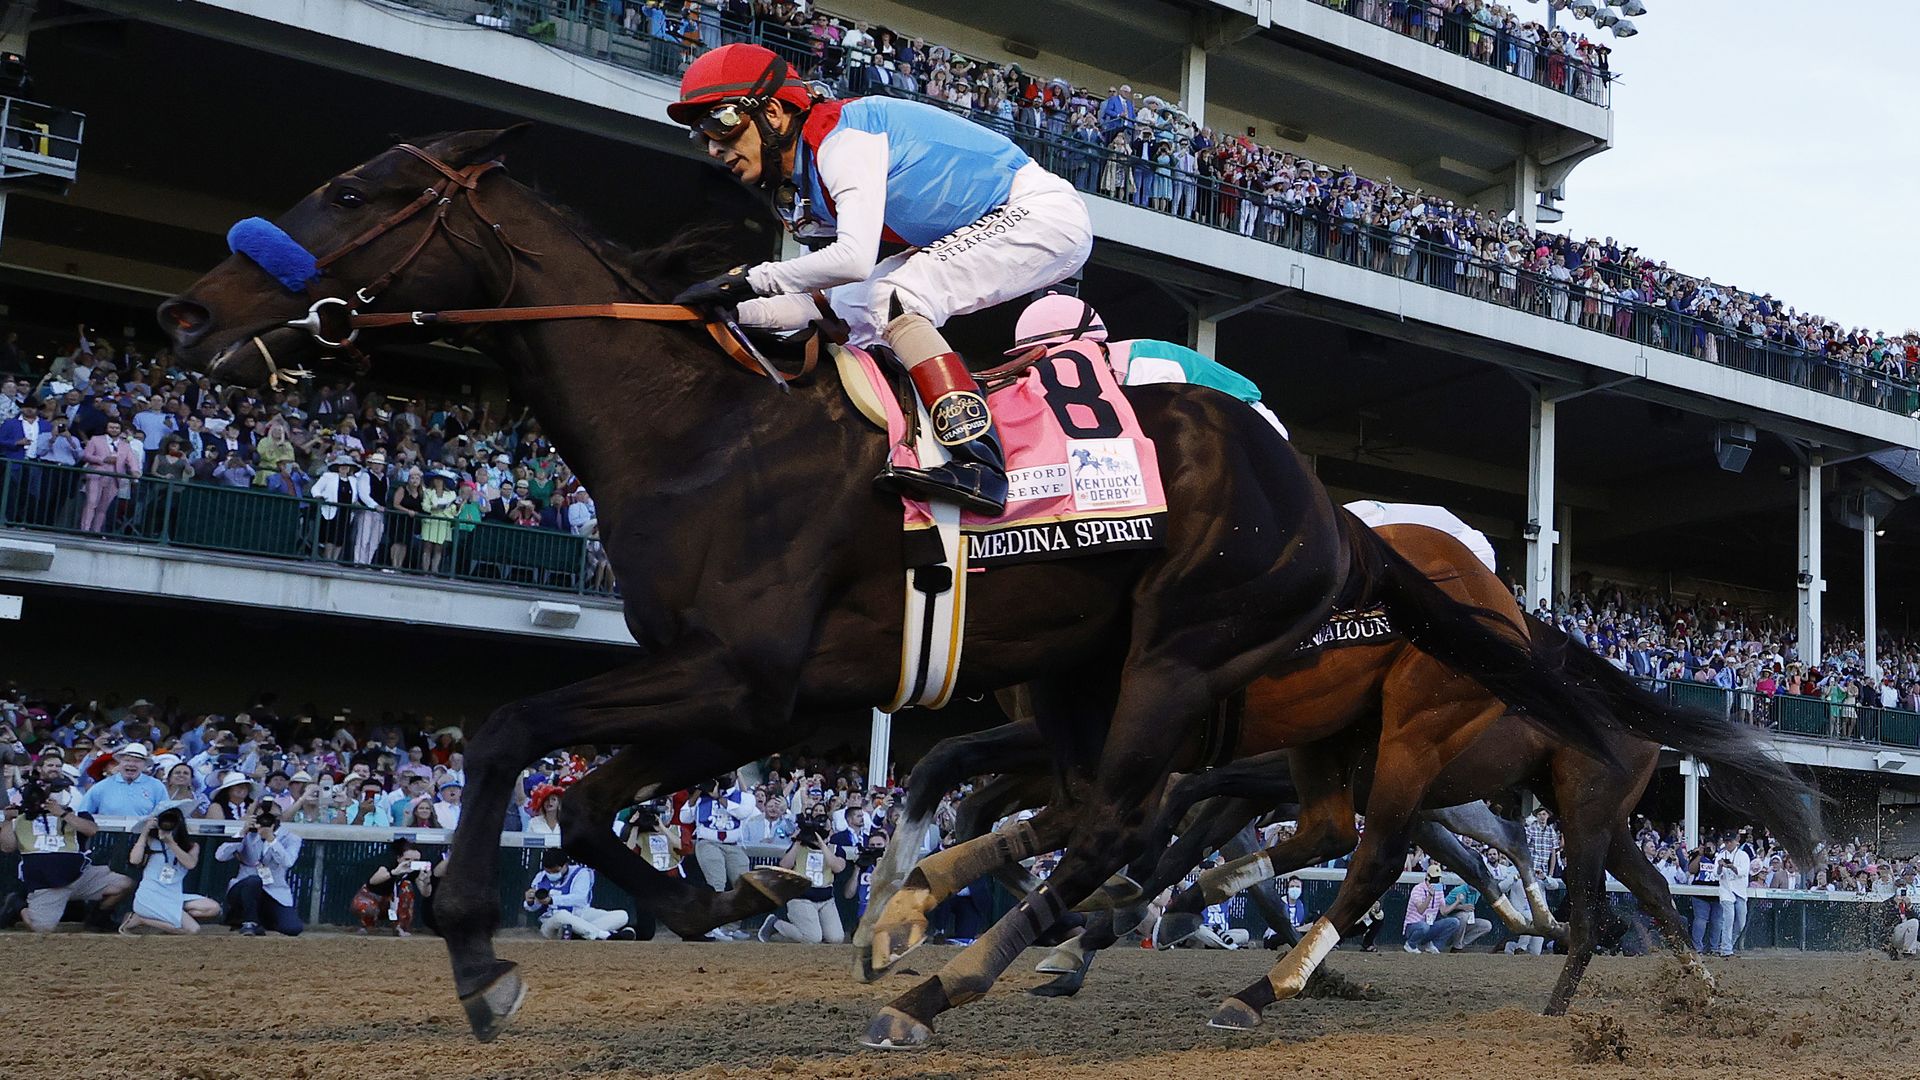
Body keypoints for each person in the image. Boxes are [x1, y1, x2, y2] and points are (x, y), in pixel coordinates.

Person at [668, 43, 1094, 514]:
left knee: (897, 297)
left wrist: (751, 278)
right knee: (852, 307)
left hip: (1040, 212)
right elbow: (820, 302)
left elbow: (852, 260)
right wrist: (721, 311)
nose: (713, 146)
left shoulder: (841, 141)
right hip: (990, 220)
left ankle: (980, 461)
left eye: (721, 122)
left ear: (773, 112)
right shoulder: (804, 177)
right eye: (700, 135)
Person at [1005, 294, 1288, 437]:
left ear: (1088, 346)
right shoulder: (1102, 372)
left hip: (1255, 427)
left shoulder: (1147, 367)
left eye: (1047, 357)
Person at [0, 773, 132, 932]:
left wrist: (61, 813)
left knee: (123, 884)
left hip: (81, 876)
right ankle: (17, 905)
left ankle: (98, 919)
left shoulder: (74, 814)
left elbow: (91, 830)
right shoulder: (21, 818)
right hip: (48, 883)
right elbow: (7, 847)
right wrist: (7, 820)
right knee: (42, 928)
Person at [121, 800, 221, 934]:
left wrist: (171, 843)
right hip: (151, 894)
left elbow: (190, 864)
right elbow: (134, 860)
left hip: (174, 895)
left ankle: (166, 918)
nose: (168, 824)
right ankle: (140, 919)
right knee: (193, 930)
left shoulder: (191, 846)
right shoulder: (151, 841)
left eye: (172, 820)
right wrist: (145, 832)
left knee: (213, 908)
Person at [214, 800, 304, 936]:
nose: (266, 820)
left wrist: (271, 839)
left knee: (292, 928)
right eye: (262, 816)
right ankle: (249, 923)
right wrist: (242, 832)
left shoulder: (291, 838)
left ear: (279, 818)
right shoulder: (247, 834)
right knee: (254, 881)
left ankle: (261, 921)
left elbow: (287, 862)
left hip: (274, 891)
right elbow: (220, 856)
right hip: (244, 887)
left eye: (271, 817)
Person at [760, 806, 847, 943]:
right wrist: (799, 841)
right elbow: (784, 866)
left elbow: (838, 868)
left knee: (836, 938)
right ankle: (775, 924)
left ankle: (804, 932)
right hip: (800, 897)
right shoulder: (799, 846)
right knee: (813, 938)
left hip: (826, 900)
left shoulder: (836, 849)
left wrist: (822, 845)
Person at [523, 848, 636, 940]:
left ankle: (579, 934)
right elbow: (532, 908)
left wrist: (552, 900)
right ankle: (606, 935)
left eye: (555, 871)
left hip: (580, 915)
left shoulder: (580, 873)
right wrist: (530, 902)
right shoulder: (541, 877)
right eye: (548, 871)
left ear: (566, 865)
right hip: (551, 922)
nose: (551, 874)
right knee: (562, 915)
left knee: (622, 915)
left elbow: (580, 899)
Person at [679, 774, 753, 895]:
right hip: (708, 843)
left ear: (736, 775)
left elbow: (742, 813)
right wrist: (700, 789)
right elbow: (684, 818)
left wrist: (718, 797)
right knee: (717, 883)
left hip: (733, 845)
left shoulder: (745, 797)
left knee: (743, 885)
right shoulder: (701, 797)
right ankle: (717, 905)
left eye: (729, 773)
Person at [352, 840, 433, 937]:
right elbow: (373, 881)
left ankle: (400, 927)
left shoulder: (415, 871)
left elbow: (426, 893)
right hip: (374, 897)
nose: (411, 863)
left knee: (406, 885)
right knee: (366, 906)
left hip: (394, 901)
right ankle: (368, 926)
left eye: (416, 860)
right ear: (399, 858)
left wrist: (427, 881)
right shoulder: (388, 864)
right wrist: (394, 872)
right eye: (407, 859)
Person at [77, 741, 168, 818]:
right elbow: (83, 813)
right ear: (120, 762)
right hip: (109, 832)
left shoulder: (157, 786)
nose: (131, 764)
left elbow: (165, 815)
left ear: (144, 765)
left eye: (137, 761)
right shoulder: (101, 786)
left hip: (143, 833)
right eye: (127, 760)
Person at [1402, 862, 1460, 953]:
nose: (1435, 881)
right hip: (1413, 926)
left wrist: (1457, 902)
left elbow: (1444, 911)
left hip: (1429, 924)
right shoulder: (1418, 889)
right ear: (1427, 877)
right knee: (1424, 926)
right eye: (1434, 878)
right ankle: (1410, 945)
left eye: (1437, 878)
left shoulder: (1439, 890)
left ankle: (1433, 945)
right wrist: (1429, 896)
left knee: (1454, 922)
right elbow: (1420, 910)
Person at [1714, 830, 1751, 958]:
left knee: (1741, 923)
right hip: (1726, 890)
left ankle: (1729, 944)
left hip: (1740, 891)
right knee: (1728, 920)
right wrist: (1720, 866)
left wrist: (1731, 867)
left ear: (1736, 841)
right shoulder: (1720, 855)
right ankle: (1726, 949)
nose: (1728, 844)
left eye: (1730, 841)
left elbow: (1743, 872)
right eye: (1726, 841)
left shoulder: (1743, 855)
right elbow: (1716, 874)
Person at [1444, 875, 1494, 951]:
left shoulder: (1478, 892)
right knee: (1463, 916)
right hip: (1451, 922)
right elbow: (1443, 907)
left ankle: (1460, 945)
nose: (1475, 885)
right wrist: (1461, 907)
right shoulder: (1458, 890)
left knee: (1487, 925)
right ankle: (1457, 946)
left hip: (1465, 922)